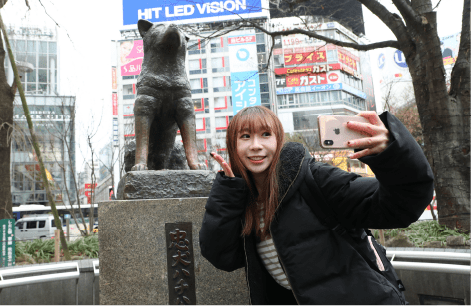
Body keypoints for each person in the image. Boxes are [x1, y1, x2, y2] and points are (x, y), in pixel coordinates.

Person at [199, 106, 434, 305]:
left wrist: (393, 153)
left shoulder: (316, 179)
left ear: (278, 140)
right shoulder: (243, 199)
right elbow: (222, 257)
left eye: (265, 134)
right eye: (245, 137)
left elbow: (400, 206)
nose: (256, 146)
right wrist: (227, 193)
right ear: (233, 145)